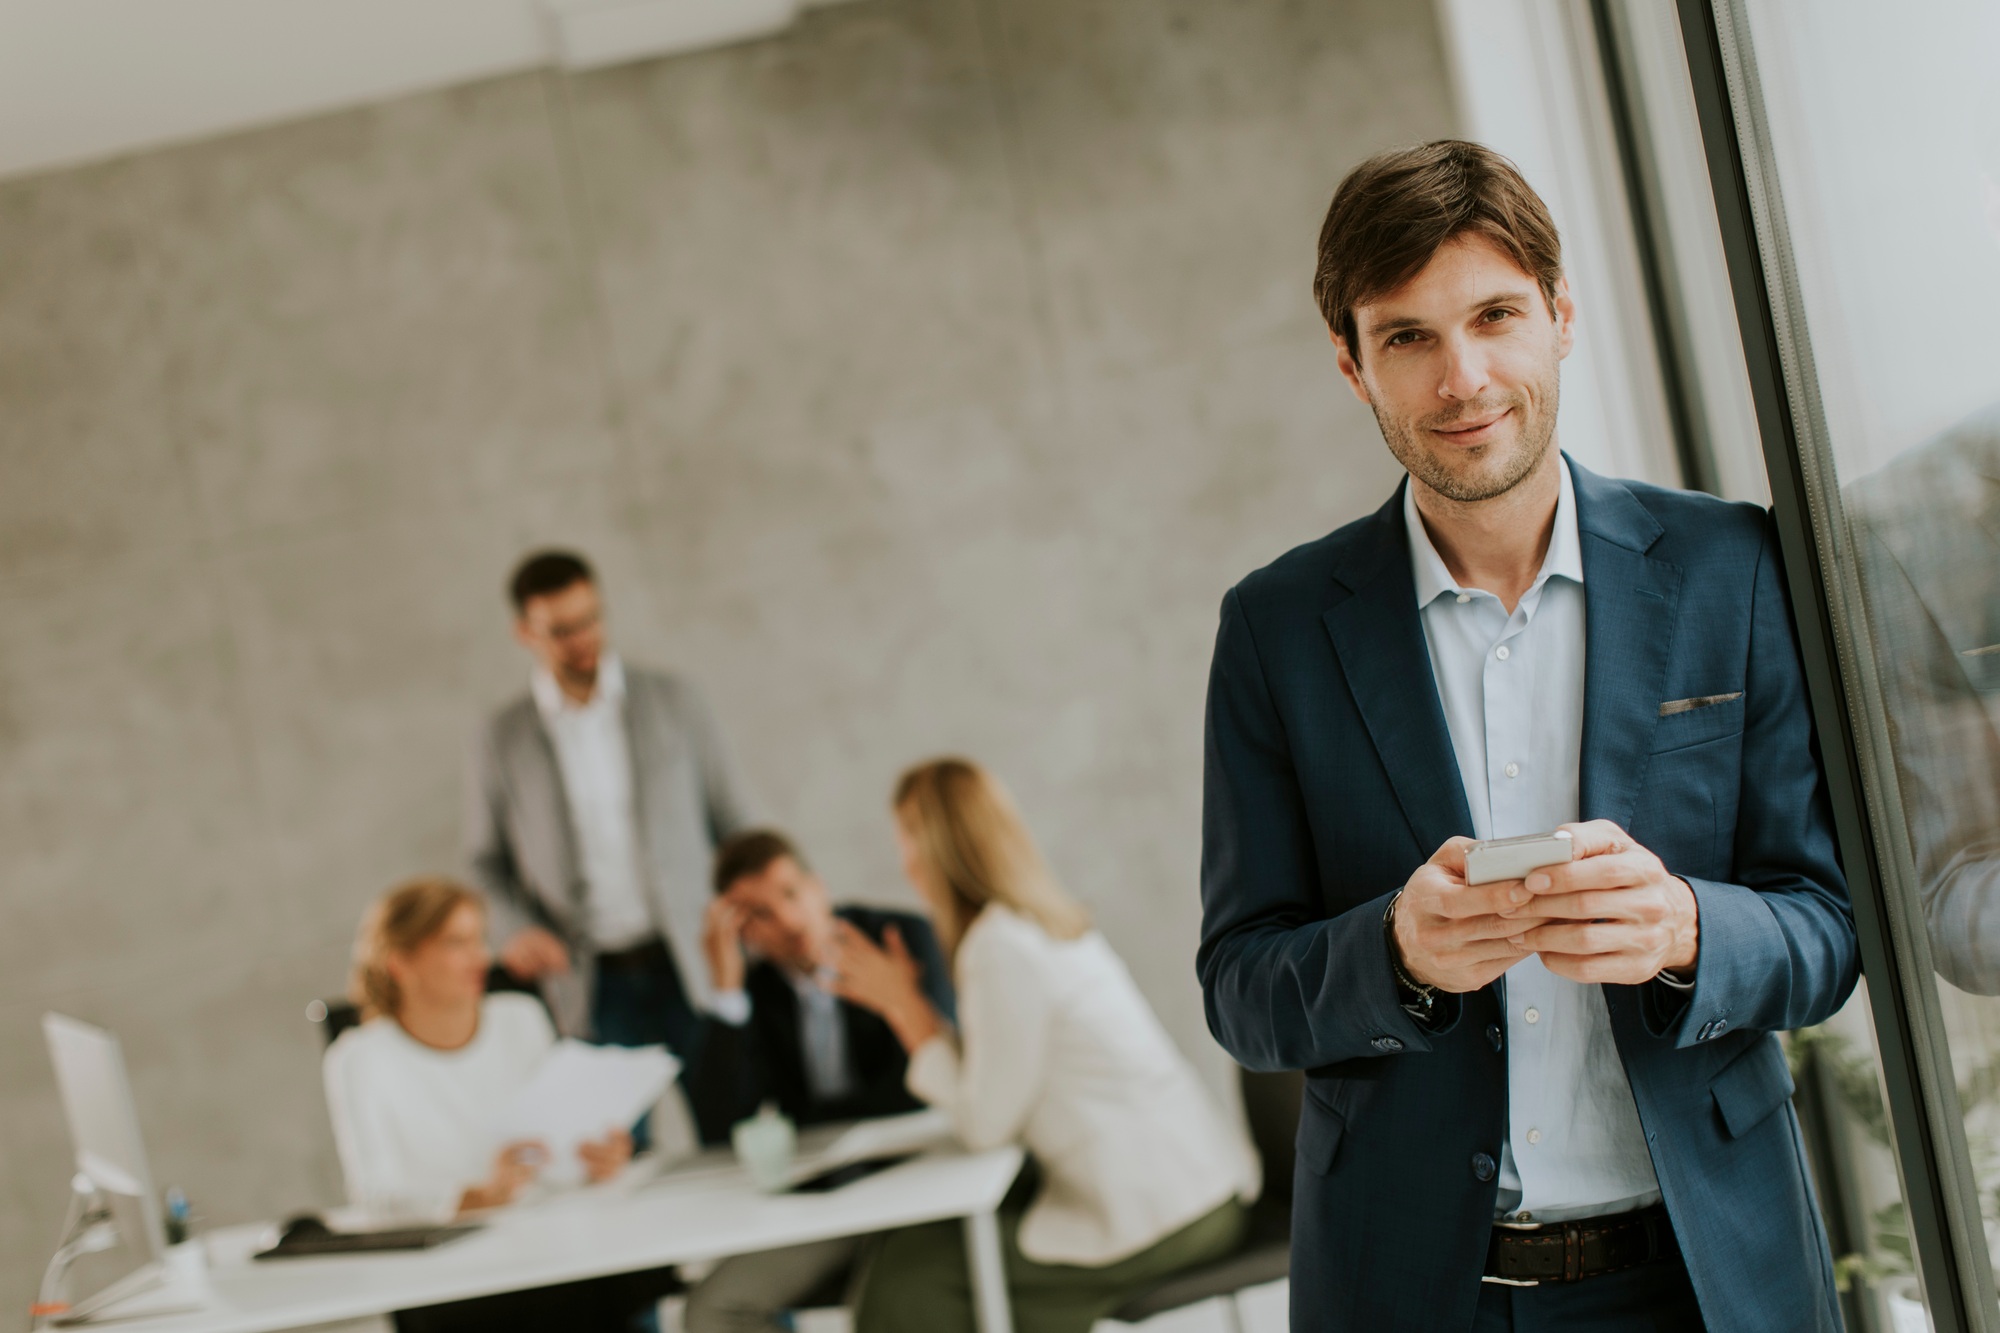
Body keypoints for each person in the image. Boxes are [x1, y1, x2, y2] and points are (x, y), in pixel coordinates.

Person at [1197, 140, 1857, 1331]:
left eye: (1494, 315)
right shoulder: (1275, 629)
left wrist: (1685, 928)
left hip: (1712, 1275)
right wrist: (1394, 954)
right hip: (1409, 1289)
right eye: (1407, 337)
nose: (1462, 379)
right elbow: (1239, 988)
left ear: (1559, 315)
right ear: (1350, 366)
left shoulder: (1732, 569)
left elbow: (1828, 926)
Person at [838, 758, 1258, 1333]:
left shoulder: (1000, 948)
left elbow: (985, 1123)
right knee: (933, 1249)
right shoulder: (1044, 925)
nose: (904, 862)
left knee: (909, 1278)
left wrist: (905, 1011)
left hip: (1158, 1219)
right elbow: (997, 1080)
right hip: (1205, 1190)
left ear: (939, 847)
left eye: (908, 840)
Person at [324, 878, 664, 1332]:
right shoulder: (360, 1059)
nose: (482, 957)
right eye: (456, 943)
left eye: (480, 939)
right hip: (456, 1276)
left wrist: (597, 1157)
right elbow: (375, 1199)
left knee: (631, 1285)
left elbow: (558, 1150)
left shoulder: (519, 1019)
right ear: (401, 963)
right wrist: (476, 1197)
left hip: (554, 1251)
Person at [465, 549, 759, 1049]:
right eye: (561, 630)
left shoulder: (675, 701)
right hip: (588, 980)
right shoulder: (500, 737)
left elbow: (735, 827)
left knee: (731, 1114)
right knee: (610, 1128)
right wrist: (517, 931)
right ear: (525, 633)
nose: (583, 640)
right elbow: (483, 861)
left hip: (691, 960)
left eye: (591, 620)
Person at [679, 829, 956, 1333]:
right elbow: (720, 1130)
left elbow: (920, 1087)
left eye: (790, 894)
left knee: (894, 1307)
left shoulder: (899, 939)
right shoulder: (756, 995)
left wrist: (807, 1120)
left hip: (916, 1182)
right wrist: (725, 994)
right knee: (711, 1309)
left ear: (819, 888)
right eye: (757, 915)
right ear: (738, 932)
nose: (786, 920)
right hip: (826, 1201)